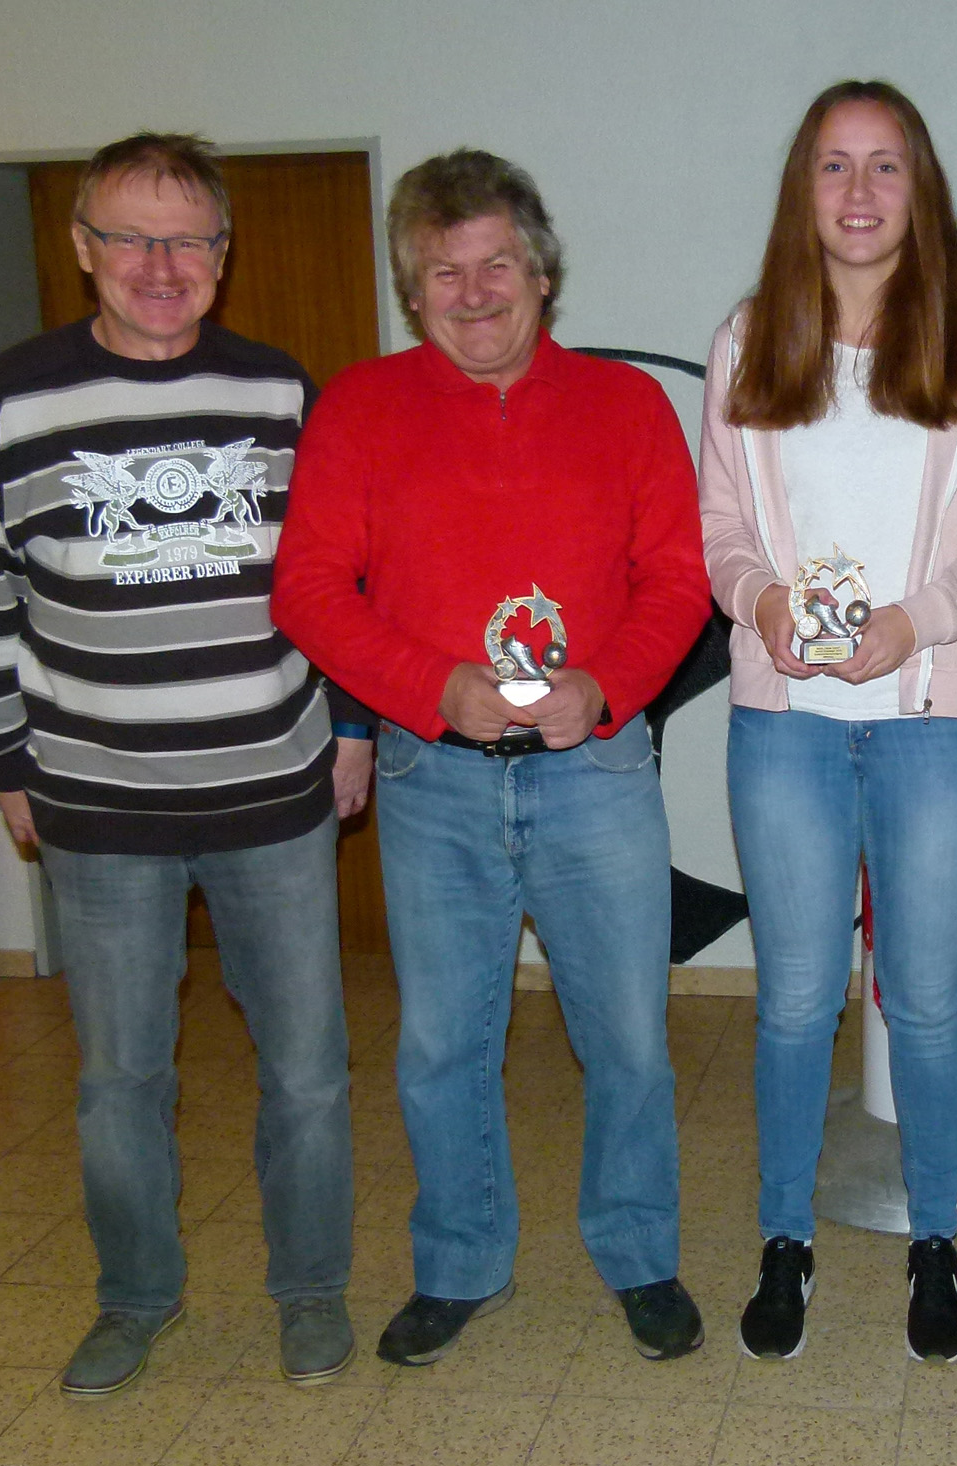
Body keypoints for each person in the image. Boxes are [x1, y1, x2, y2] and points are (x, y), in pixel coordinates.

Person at [0, 133, 369, 1396]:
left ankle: (309, 1291)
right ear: (84, 250)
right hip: (96, 802)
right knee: (121, 1079)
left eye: (188, 240)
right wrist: (2, 757)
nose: (160, 265)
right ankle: (134, 1298)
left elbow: (339, 581)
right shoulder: (11, 398)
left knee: (306, 1070)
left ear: (224, 257)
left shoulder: (281, 392)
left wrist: (352, 726)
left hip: (273, 789)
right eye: (131, 236)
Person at [273, 149, 712, 1365]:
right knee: (442, 1045)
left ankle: (638, 1252)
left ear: (542, 270)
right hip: (434, 780)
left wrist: (605, 686)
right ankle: (460, 1262)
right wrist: (430, 688)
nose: (473, 294)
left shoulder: (625, 408)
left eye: (495, 265)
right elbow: (308, 588)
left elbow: (677, 581)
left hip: (596, 770)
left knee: (626, 1036)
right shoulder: (363, 408)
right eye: (441, 274)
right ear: (413, 293)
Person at [699, 81, 957, 1365]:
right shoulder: (751, 339)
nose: (858, 194)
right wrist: (759, 598)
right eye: (834, 167)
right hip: (784, 723)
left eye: (885, 167)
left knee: (921, 1000)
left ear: (922, 186)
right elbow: (721, 534)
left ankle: (932, 1244)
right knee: (794, 1001)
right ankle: (783, 1240)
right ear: (804, 190)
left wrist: (921, 619)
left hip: (931, 723)